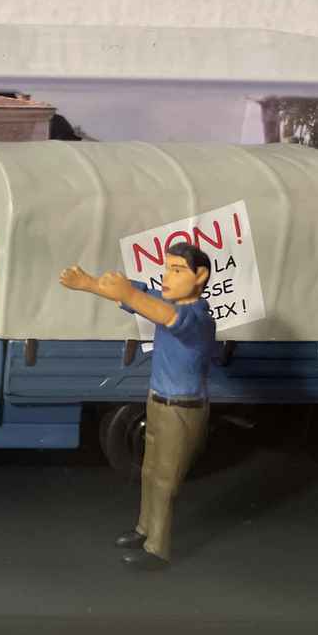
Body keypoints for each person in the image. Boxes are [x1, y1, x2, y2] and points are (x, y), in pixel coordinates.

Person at [59, 243, 217, 571]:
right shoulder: (165, 302)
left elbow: (166, 316)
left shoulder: (198, 318)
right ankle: (144, 529)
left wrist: (129, 294)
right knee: (148, 472)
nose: (167, 277)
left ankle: (157, 549)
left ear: (200, 275)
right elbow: (140, 298)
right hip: (157, 401)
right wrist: (89, 284)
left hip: (182, 410)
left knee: (165, 482)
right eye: (167, 268)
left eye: (177, 270)